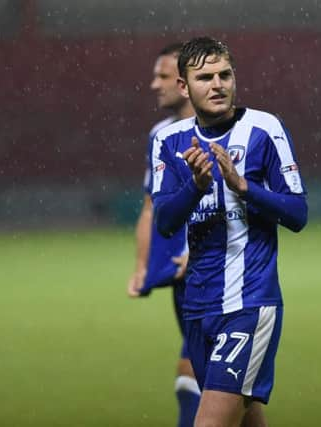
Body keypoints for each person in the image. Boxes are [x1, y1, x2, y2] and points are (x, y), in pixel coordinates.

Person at [150, 37, 308, 427]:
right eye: (205, 77)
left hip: (249, 304)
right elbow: (166, 221)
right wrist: (196, 186)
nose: (218, 84)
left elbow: (297, 213)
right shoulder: (169, 141)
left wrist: (243, 187)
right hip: (198, 307)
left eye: (225, 75)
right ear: (185, 87)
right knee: (247, 417)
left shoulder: (263, 129)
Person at [127, 43, 200, 427]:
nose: (153, 84)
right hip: (179, 274)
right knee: (218, 378)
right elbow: (151, 207)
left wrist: (200, 252)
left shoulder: (224, 132)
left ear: (185, 82)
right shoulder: (160, 134)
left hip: (217, 272)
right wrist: (141, 266)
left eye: (162, 76)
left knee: (196, 367)